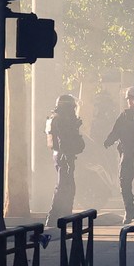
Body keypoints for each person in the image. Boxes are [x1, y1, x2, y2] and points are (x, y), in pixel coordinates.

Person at [103, 86, 134, 222]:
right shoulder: (125, 116)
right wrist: (109, 141)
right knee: (124, 183)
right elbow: (116, 131)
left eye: (132, 99)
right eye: (128, 99)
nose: (129, 102)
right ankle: (129, 210)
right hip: (127, 154)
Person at [46, 93, 86, 223]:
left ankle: (64, 214)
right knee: (64, 186)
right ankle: (54, 216)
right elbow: (64, 139)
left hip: (61, 155)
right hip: (64, 156)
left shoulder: (56, 118)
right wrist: (67, 155)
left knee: (67, 186)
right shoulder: (62, 120)